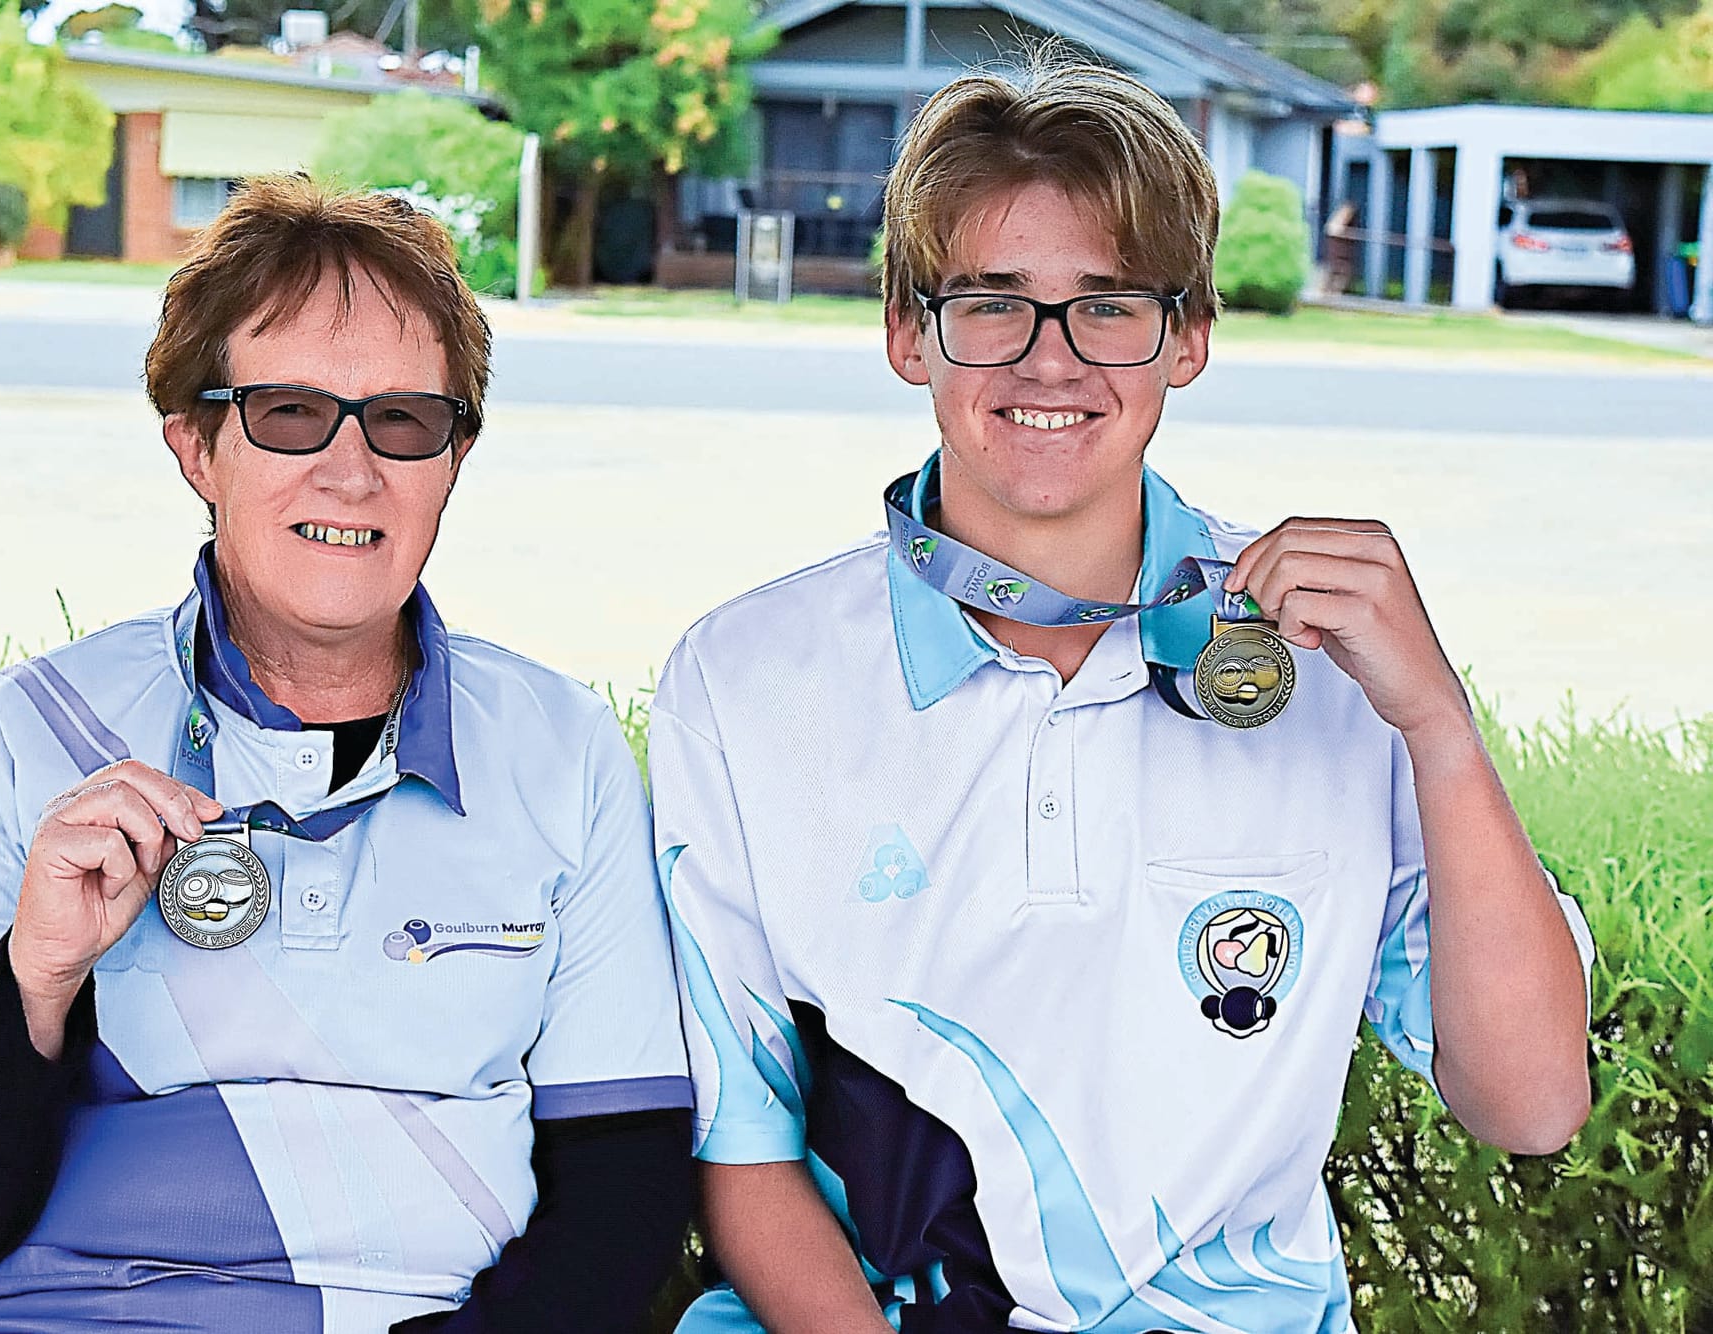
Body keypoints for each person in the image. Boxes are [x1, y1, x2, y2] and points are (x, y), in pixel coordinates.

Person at [651, 57, 1594, 1334]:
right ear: (902, 330)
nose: (1049, 362)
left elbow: (1529, 1101)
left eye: (1108, 306)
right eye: (991, 304)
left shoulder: (1332, 664)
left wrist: (1436, 726)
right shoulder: (741, 678)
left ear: (1187, 337)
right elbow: (744, 1150)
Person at [0, 175, 694, 1332]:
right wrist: (34, 978)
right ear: (194, 445)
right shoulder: (32, 728)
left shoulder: (560, 747)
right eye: (288, 412)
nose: (352, 470)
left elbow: (621, 1181)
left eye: (403, 419)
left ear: (453, 457)